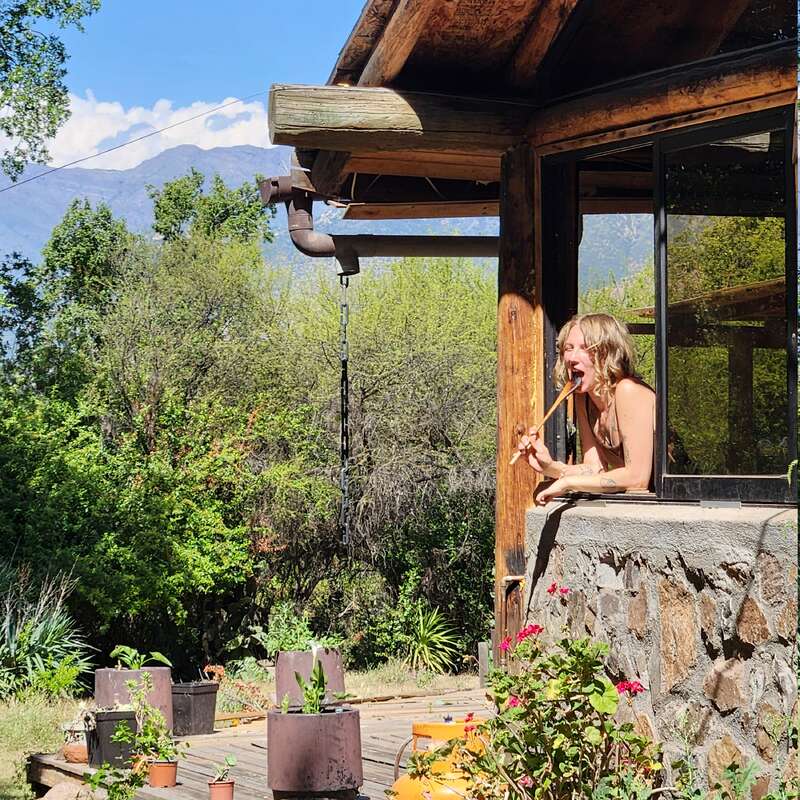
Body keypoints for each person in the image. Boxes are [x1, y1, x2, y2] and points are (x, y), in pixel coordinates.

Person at [517, 313, 655, 505]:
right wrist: (550, 467)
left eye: (584, 348)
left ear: (607, 353)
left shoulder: (629, 390)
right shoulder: (584, 398)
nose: (572, 358)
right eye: (568, 348)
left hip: (681, 502)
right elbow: (595, 468)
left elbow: (637, 478)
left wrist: (568, 482)